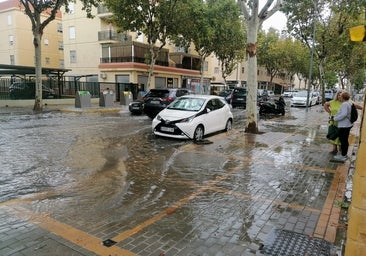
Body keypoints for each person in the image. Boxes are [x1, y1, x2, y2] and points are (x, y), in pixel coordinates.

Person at [332, 91, 353, 162]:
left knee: (343, 140)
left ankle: (343, 155)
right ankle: (343, 154)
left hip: (344, 125)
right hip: (347, 124)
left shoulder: (344, 104)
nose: (339, 97)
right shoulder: (349, 103)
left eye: (341, 96)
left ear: (343, 97)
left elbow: (343, 114)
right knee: (344, 140)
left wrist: (335, 118)